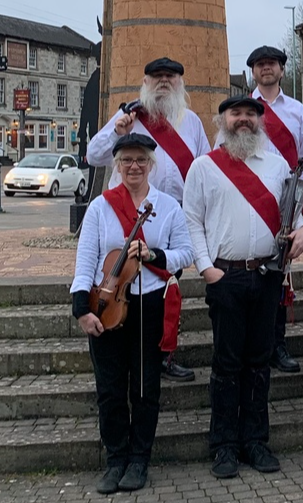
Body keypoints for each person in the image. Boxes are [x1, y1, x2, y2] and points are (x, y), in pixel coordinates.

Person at [184, 95, 303, 479]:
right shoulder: (204, 167)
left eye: (250, 114)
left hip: (267, 275)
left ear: (260, 121)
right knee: (226, 364)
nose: (243, 119)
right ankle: (223, 445)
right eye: (235, 114)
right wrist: (207, 269)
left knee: (259, 362)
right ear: (222, 120)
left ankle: (255, 441)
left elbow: (293, 213)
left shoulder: (277, 165)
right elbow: (192, 222)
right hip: (226, 276)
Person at [70, 133, 194, 493]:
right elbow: (86, 259)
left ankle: (139, 459)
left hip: (149, 304)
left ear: (151, 165)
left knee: (144, 387)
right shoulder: (101, 207)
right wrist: (81, 308)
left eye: (141, 160)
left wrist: (154, 255)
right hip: (106, 305)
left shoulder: (167, 207)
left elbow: (186, 253)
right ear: (117, 165)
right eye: (126, 160)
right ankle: (116, 459)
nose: (134, 166)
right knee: (110, 389)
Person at [87, 56, 210, 382]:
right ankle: (120, 351)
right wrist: (117, 132)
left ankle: (164, 355)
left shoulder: (192, 122)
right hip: (127, 215)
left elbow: (203, 170)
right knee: (126, 284)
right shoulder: (128, 117)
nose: (164, 82)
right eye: (157, 77)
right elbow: (93, 155)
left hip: (172, 218)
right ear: (145, 83)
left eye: (170, 76)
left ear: (180, 83)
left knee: (167, 292)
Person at [216, 45, 303, 374]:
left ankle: (277, 344)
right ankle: (248, 345)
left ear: (281, 69)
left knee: (278, 273)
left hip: (285, 201)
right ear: (253, 71)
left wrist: (297, 198)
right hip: (247, 198)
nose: (266, 68)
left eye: (271, 63)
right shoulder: (241, 111)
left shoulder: (297, 111)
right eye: (260, 64)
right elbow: (220, 156)